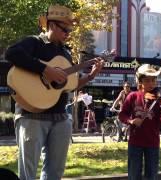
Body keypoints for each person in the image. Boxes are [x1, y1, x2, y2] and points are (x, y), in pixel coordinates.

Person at [5, 5, 104, 180]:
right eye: (65, 28)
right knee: (27, 173)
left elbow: (68, 86)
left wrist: (90, 77)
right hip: (31, 116)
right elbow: (12, 53)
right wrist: (44, 69)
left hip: (60, 118)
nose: (68, 33)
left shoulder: (66, 53)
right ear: (51, 25)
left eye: (70, 29)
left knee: (55, 173)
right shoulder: (35, 42)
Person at [119, 64, 161, 180]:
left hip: (152, 142)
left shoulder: (158, 100)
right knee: (133, 174)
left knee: (152, 175)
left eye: (153, 80)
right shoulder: (132, 96)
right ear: (140, 82)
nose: (151, 84)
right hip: (135, 142)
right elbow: (122, 114)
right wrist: (131, 121)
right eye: (147, 81)